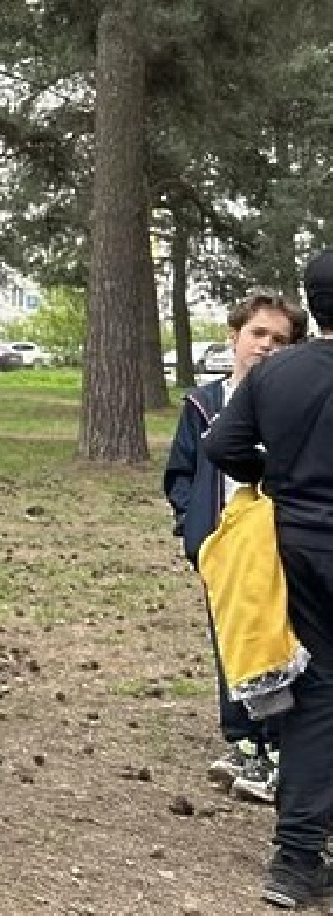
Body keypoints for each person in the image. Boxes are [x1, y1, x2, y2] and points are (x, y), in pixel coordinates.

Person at [203, 251, 333, 910]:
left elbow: (221, 447)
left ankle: (295, 859)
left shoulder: (276, 372)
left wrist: (271, 473)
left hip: (296, 548)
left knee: (314, 698)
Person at [164, 290, 306, 803]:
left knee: (271, 641)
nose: (266, 346)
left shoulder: (294, 403)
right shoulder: (204, 404)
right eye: (257, 334)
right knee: (229, 640)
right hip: (220, 548)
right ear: (234, 337)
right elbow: (180, 473)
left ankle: (278, 748)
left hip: (276, 550)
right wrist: (193, 528)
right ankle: (243, 739)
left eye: (280, 339)